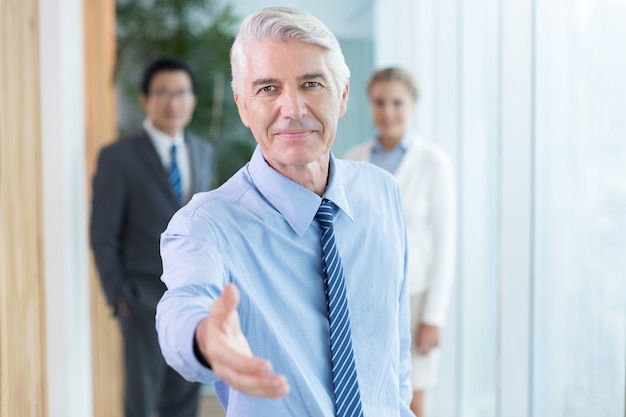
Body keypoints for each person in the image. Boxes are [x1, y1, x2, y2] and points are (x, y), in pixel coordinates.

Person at [156, 7, 414, 416]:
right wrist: (206, 338)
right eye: (268, 89)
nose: (292, 109)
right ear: (242, 106)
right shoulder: (206, 225)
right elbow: (183, 306)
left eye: (311, 83)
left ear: (342, 95)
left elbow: (394, 359)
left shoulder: (382, 193)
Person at [90, 56, 215, 417]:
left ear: (192, 99)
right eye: (163, 92)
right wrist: (120, 297)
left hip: (192, 295)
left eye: (182, 93)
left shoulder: (202, 151)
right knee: (143, 399)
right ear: (146, 99)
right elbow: (103, 234)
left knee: (185, 392)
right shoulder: (118, 158)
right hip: (142, 300)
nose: (173, 102)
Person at [343, 67, 456, 417]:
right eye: (379, 102)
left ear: (413, 105)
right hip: (367, 296)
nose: (387, 111)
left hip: (417, 299)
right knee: (371, 393)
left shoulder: (432, 162)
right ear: (368, 104)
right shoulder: (353, 160)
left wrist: (433, 317)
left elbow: (445, 243)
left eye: (397, 102)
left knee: (414, 400)